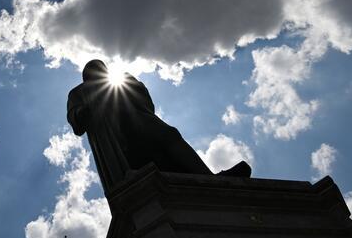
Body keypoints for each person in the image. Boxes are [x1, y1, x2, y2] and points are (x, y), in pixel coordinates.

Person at [67, 59, 251, 193]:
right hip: (114, 133)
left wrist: (130, 86)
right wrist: (86, 109)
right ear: (86, 75)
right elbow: (76, 120)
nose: (99, 70)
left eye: (101, 67)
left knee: (170, 135)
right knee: (138, 163)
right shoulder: (78, 92)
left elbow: (144, 98)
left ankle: (208, 179)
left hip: (138, 118)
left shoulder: (118, 79)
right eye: (94, 68)